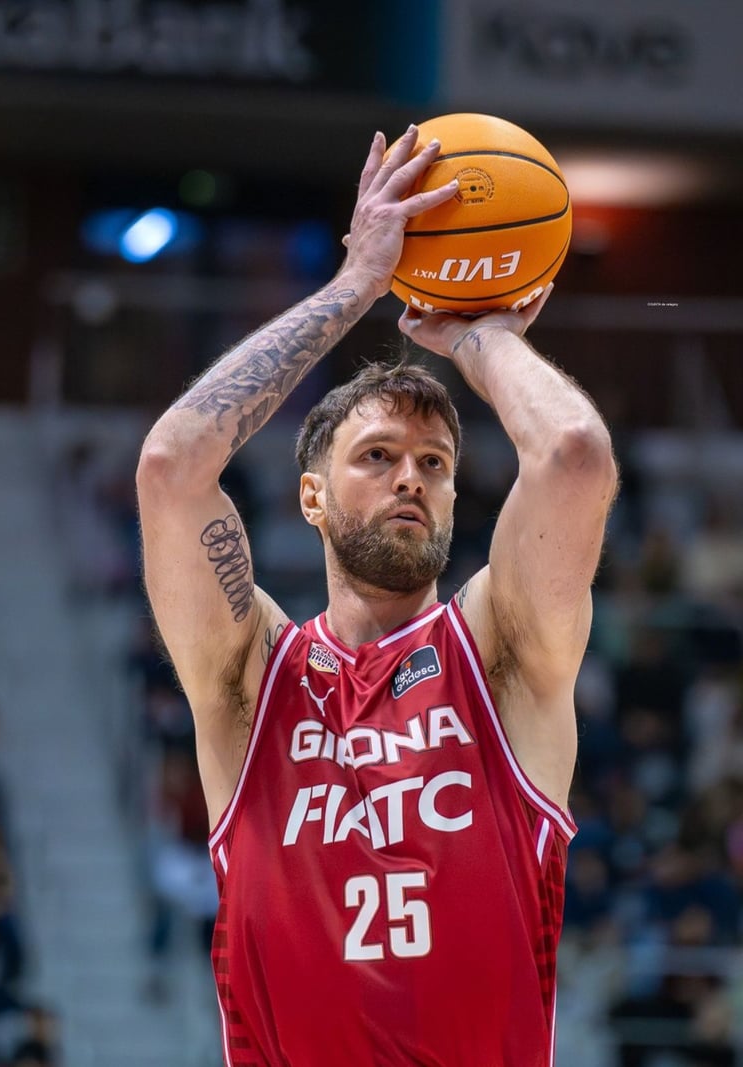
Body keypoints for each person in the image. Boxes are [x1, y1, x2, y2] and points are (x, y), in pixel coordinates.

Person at [136, 124, 618, 1067]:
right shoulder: (250, 678)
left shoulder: (500, 655)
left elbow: (573, 455)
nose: (411, 478)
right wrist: (357, 284)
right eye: (378, 455)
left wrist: (478, 336)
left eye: (434, 464)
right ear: (310, 496)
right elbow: (170, 465)